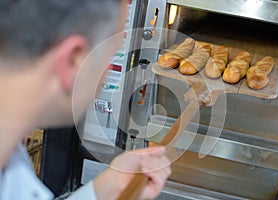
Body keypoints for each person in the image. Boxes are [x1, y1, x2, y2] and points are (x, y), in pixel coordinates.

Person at [0, 0, 171, 199]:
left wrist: (101, 191)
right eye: (111, 55)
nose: (107, 72)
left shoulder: (10, 156)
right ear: (73, 61)